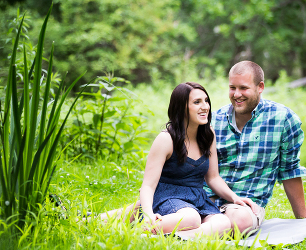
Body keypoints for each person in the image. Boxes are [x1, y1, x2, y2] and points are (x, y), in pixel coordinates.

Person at [102, 82, 258, 238]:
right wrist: (149, 214)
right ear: (181, 107)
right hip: (168, 197)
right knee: (191, 218)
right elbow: (148, 186)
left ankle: (179, 238)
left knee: (223, 223)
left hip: (197, 197)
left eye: (206, 100)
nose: (205, 106)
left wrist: (235, 198)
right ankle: (145, 227)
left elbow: (213, 178)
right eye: (197, 102)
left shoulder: (207, 134)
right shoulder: (166, 139)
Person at [207, 61, 306, 234]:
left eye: (243, 88)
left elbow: (289, 170)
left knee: (239, 222)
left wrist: (302, 218)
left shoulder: (283, 119)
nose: (236, 94)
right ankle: (201, 226)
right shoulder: (213, 120)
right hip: (206, 197)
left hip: (246, 205)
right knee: (184, 214)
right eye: (232, 88)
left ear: (260, 87)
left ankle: (194, 231)